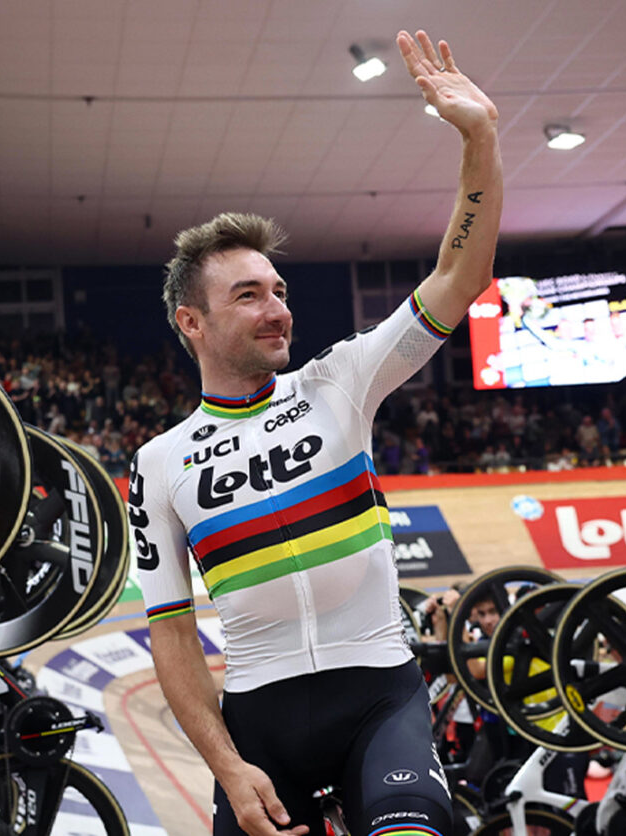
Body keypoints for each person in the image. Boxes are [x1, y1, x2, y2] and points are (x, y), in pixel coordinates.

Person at [126, 29, 501, 836]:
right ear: (192, 322)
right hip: (260, 733)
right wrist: (227, 768)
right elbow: (173, 636)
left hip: (381, 700)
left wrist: (479, 138)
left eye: (280, 290)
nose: (278, 309)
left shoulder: (341, 380)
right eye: (249, 295)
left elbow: (459, 275)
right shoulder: (158, 463)